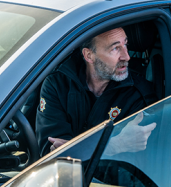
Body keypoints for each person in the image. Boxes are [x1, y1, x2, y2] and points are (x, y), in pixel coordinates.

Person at [36, 27, 157, 156]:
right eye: (115, 48)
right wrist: (115, 145)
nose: (126, 56)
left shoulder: (139, 94)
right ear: (89, 55)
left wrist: (75, 149)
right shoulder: (58, 84)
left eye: (125, 44)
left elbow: (127, 166)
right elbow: (52, 155)